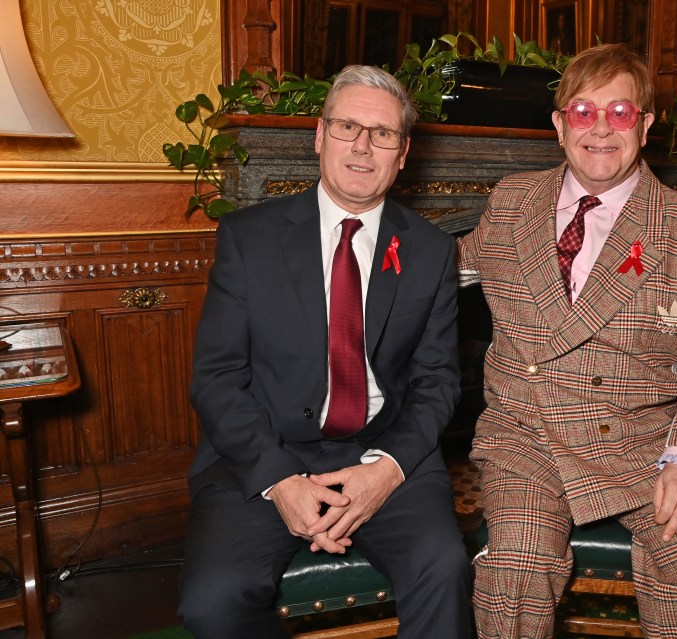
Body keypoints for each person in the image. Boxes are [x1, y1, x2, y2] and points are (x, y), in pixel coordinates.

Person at [458, 43, 677, 638]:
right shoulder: (511, 202)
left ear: (643, 126)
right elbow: (437, 274)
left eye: (619, 112)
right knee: (514, 567)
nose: (600, 129)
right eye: (583, 112)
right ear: (560, 126)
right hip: (526, 437)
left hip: (645, 443)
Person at [178, 65, 471, 639]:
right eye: (346, 127)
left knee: (444, 568)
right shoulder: (248, 237)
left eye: (382, 134)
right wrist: (282, 482)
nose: (363, 147)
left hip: (385, 451)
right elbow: (217, 379)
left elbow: (439, 382)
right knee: (213, 602)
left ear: (403, 152)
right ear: (319, 136)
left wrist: (386, 471)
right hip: (264, 453)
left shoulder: (432, 251)